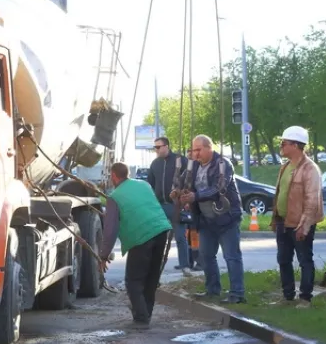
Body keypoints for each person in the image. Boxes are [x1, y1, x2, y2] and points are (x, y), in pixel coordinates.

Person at [173, 134, 246, 304]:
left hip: (226, 219)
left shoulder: (223, 164)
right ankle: (212, 290)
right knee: (206, 256)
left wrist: (195, 196)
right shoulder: (194, 166)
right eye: (193, 150)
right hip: (206, 220)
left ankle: (237, 294)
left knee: (231, 256)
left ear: (209, 148)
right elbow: (181, 182)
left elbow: (218, 188)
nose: (195, 154)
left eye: (198, 150)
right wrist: (176, 191)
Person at [99, 162, 173, 329]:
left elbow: (110, 230)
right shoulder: (144, 184)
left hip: (141, 237)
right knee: (151, 277)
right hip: (161, 231)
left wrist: (103, 255)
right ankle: (145, 313)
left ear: (113, 176)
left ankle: (141, 318)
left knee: (134, 280)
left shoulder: (114, 196)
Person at [272, 126, 325, 308]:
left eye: (284, 143)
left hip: (299, 224)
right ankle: (287, 296)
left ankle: (305, 298)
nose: (281, 146)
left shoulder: (310, 169)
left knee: (304, 260)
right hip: (283, 222)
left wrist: (305, 225)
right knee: (283, 259)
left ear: (295, 145)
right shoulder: (285, 167)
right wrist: (275, 218)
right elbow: (280, 193)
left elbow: (311, 200)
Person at [146, 136, 189, 270]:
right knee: (157, 238)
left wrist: (184, 198)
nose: (156, 150)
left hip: (176, 205)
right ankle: (155, 266)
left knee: (180, 237)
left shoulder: (180, 160)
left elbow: (189, 180)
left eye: (158, 147)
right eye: (155, 147)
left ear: (166, 146)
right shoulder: (155, 164)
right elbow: (150, 184)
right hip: (160, 206)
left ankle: (185, 265)